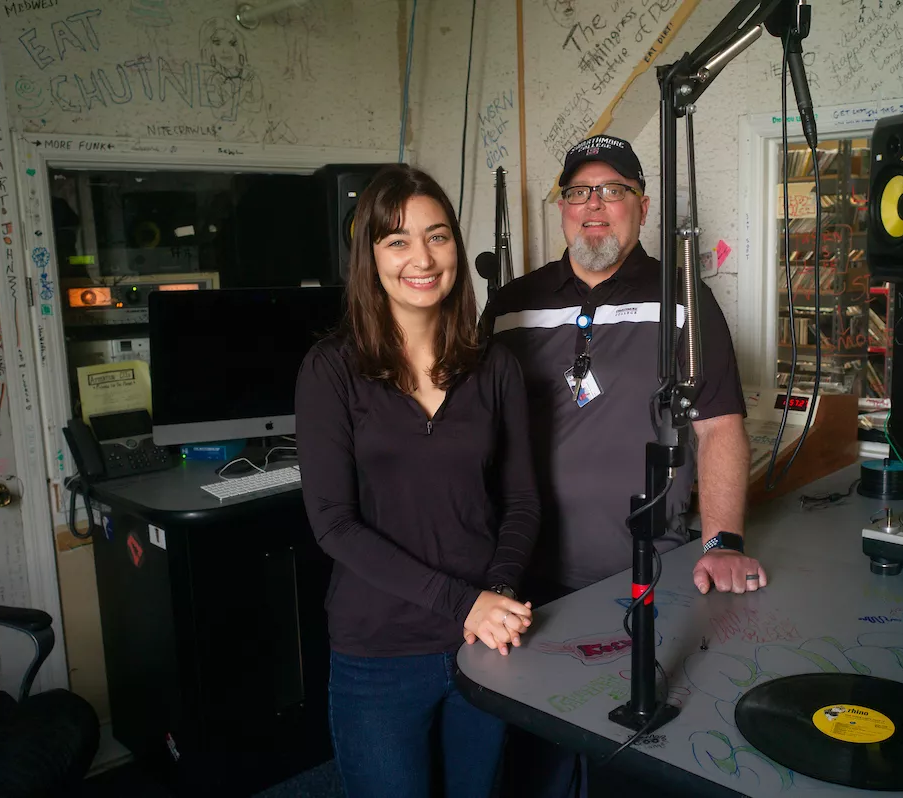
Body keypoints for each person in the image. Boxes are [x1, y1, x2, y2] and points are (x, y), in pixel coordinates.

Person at [485, 135, 762, 797]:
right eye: (579, 191)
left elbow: (720, 427)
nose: (594, 206)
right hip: (528, 578)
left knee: (633, 756)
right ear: (562, 208)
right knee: (533, 757)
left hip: (643, 577)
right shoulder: (509, 307)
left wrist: (723, 541)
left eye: (613, 190)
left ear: (641, 206)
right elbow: (478, 431)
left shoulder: (683, 300)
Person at [295, 164, 541, 798]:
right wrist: (467, 603)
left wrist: (497, 599)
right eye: (397, 240)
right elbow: (333, 523)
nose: (422, 258)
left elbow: (520, 503)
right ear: (369, 257)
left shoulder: (496, 368)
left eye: (438, 236)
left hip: (482, 643)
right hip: (379, 652)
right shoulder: (331, 370)